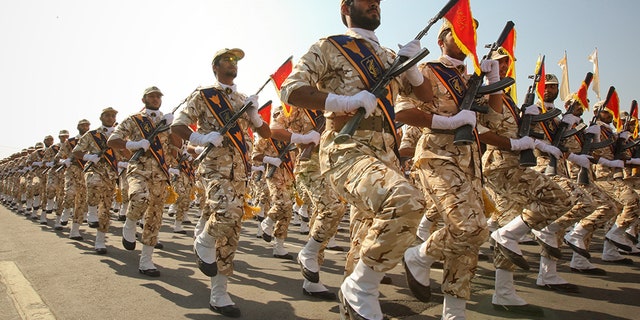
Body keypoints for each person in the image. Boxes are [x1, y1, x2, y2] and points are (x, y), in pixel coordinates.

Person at [280, 1, 432, 318]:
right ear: (347, 7)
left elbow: (426, 98)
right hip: (346, 148)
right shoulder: (329, 46)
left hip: (385, 155)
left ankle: (357, 301)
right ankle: (360, 287)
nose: (374, 3)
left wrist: (414, 70)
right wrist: (342, 100)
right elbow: (290, 90)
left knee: (364, 242)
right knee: (406, 202)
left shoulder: (391, 57)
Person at [394, 19, 503, 318]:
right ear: (442, 40)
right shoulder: (428, 71)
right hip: (437, 157)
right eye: (458, 32)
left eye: (470, 33)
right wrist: (448, 122)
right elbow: (403, 110)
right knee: (470, 227)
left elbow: (493, 120)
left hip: (470, 163)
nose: (466, 37)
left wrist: (493, 83)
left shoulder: (472, 80)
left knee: (471, 238)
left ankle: (454, 312)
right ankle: (418, 256)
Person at [171, 48, 270, 318]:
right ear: (215, 66)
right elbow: (177, 128)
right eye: (227, 59)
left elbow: (265, 132)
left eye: (236, 60)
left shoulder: (241, 99)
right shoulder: (203, 95)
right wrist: (201, 139)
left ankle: (219, 292)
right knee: (228, 213)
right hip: (214, 167)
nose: (233, 63)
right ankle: (202, 241)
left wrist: (256, 114)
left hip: (240, 172)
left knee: (231, 232)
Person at [107, 86, 177, 277]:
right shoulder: (134, 120)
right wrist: (133, 144)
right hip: (138, 169)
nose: (155, 99)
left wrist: (174, 128)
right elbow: (113, 140)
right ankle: (129, 223)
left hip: (161, 175)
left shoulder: (167, 122)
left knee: (154, 217)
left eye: (158, 97)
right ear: (144, 99)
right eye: (151, 96)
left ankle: (146, 261)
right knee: (138, 197)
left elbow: (176, 147)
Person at [72, 107, 121, 254]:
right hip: (94, 168)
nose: (110, 118)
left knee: (106, 208)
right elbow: (76, 151)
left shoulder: (119, 135)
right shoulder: (92, 135)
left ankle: (100, 241)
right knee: (93, 184)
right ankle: (91, 213)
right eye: (107, 115)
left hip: (111, 173)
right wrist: (88, 157)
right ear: (101, 117)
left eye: (113, 116)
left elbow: (125, 152)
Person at [58, 119, 91, 240]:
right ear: (78, 127)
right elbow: (58, 158)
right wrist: (64, 161)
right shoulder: (70, 142)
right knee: (70, 194)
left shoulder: (93, 140)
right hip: (72, 170)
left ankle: (75, 230)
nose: (85, 127)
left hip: (86, 172)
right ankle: (65, 212)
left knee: (81, 202)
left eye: (87, 125)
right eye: (83, 125)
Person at [43, 130, 69, 230]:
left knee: (61, 198)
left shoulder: (71, 146)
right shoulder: (52, 148)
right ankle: (49, 202)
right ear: (59, 137)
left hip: (64, 174)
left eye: (66, 136)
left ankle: (58, 221)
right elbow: (44, 161)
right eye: (63, 136)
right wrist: (50, 164)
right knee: (50, 188)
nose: (65, 138)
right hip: (54, 172)